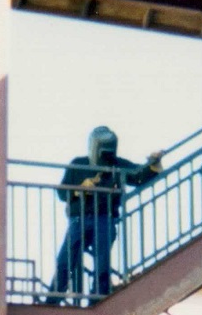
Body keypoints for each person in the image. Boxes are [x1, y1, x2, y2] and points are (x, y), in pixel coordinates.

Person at [46, 126, 163, 304]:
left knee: (102, 263)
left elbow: (138, 176)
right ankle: (53, 300)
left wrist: (153, 164)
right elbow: (62, 193)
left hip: (104, 219)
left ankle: (98, 299)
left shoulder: (117, 164)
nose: (106, 155)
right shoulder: (78, 163)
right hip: (79, 219)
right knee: (65, 261)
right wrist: (80, 188)